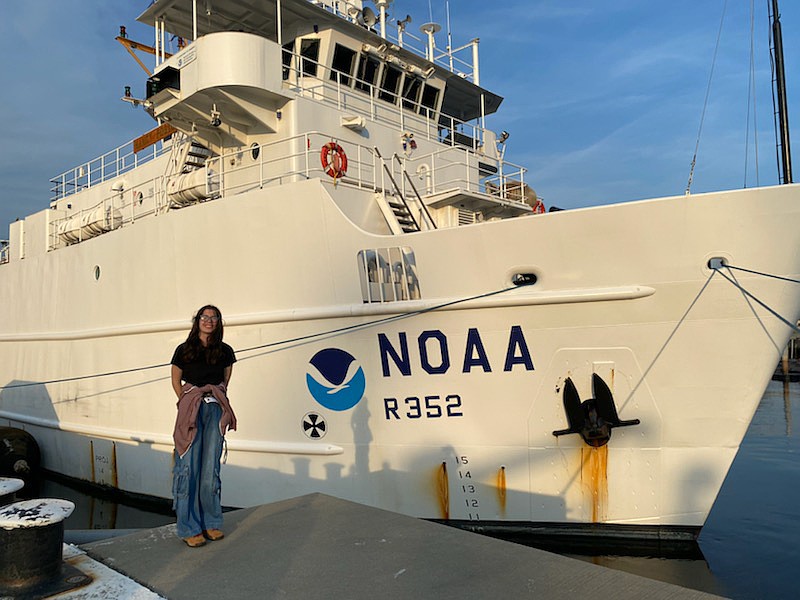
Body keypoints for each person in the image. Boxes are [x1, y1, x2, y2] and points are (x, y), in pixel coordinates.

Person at [170, 305, 237, 548]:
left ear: (219, 322)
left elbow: (225, 380)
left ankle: (211, 522)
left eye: (214, 317)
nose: (209, 321)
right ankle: (189, 526)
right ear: (197, 320)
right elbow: (176, 379)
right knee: (188, 466)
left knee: (210, 468)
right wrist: (186, 400)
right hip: (191, 409)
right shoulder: (184, 350)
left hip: (214, 409)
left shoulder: (225, 351)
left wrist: (215, 398)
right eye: (204, 317)